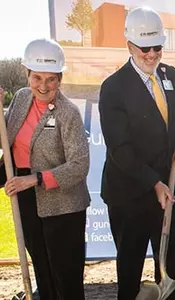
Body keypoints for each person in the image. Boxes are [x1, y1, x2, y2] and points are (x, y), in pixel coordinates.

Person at [98, 6, 175, 300]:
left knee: (169, 270)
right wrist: (154, 183)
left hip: (168, 189)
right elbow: (120, 150)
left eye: (158, 48)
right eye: (145, 49)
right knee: (130, 273)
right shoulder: (113, 88)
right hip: (129, 195)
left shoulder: (170, 75)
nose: (152, 55)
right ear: (129, 46)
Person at [0, 38, 90, 300]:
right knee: (42, 269)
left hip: (63, 207)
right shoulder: (21, 98)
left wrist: (35, 179)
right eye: (37, 78)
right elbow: (7, 137)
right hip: (28, 201)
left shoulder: (68, 113)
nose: (43, 86)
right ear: (27, 75)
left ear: (60, 79)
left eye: (51, 79)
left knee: (66, 279)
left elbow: (79, 166)